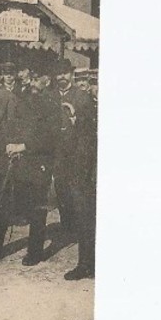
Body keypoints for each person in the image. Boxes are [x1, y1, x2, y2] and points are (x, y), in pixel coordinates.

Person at [0, 69, 62, 265]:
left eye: (37, 79)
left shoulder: (54, 103)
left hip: (39, 162)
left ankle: (35, 253)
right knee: (1, 203)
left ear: (48, 78)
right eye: (31, 80)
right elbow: (11, 125)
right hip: (16, 159)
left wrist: (24, 147)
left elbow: (51, 136)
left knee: (36, 209)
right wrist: (9, 144)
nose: (32, 83)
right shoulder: (23, 99)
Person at [52, 58, 96, 237]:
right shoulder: (50, 95)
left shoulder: (82, 97)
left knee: (76, 191)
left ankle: (79, 229)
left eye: (65, 73)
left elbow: (88, 130)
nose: (62, 77)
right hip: (56, 152)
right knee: (61, 189)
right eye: (58, 74)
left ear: (70, 75)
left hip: (76, 152)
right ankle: (66, 226)